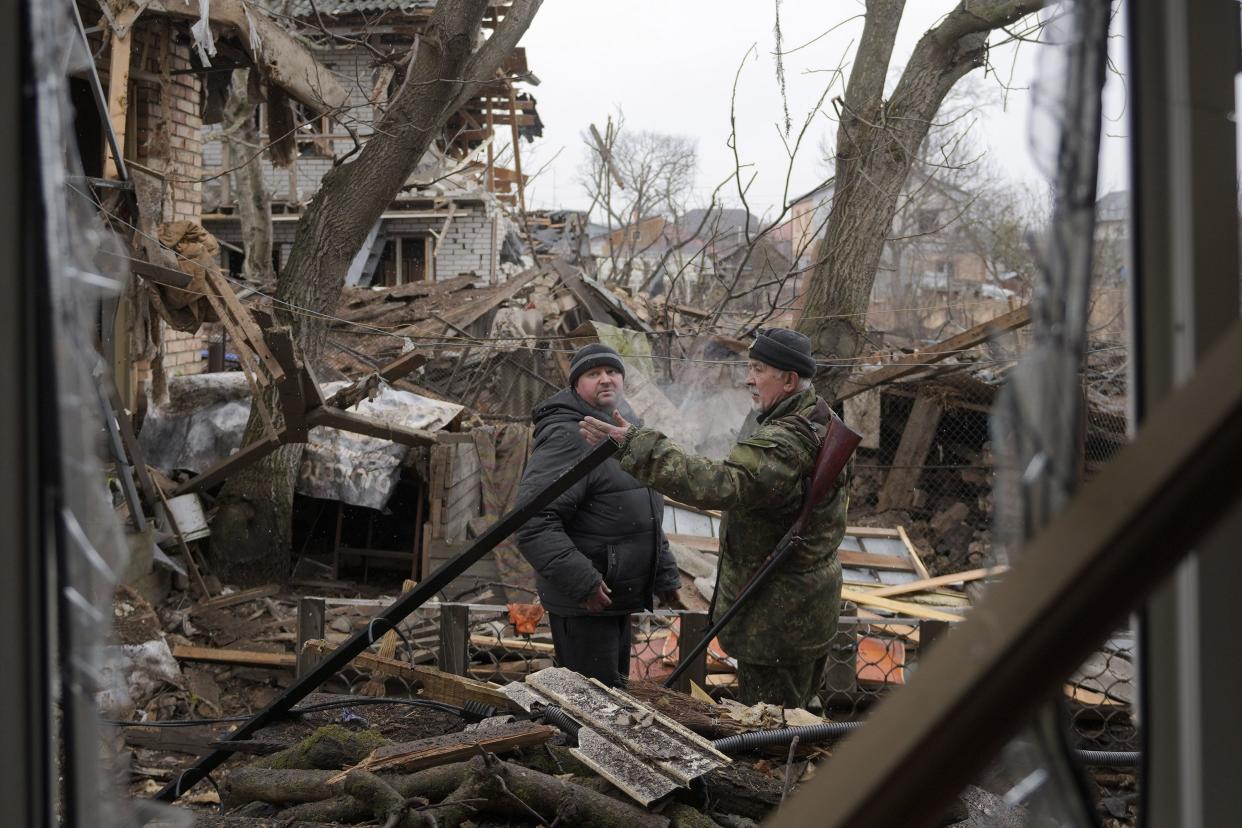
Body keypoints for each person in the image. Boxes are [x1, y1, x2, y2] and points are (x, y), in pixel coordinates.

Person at [580, 328, 848, 708]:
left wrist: (637, 446)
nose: (748, 379)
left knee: (769, 731)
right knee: (792, 721)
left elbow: (720, 483)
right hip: (792, 611)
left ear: (789, 380)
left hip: (778, 621)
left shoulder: (787, 442)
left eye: (758, 370)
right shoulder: (808, 416)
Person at [515, 343, 682, 687]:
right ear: (577, 385)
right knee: (591, 709)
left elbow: (644, 510)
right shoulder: (569, 435)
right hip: (586, 606)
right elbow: (532, 522)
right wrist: (583, 582)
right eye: (593, 374)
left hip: (617, 600)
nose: (606, 379)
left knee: (612, 701)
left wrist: (663, 574)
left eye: (612, 372)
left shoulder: (626, 429)